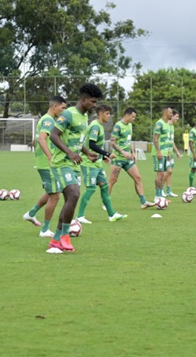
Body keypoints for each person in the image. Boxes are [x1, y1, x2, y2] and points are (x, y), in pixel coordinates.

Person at [47, 83, 103, 253]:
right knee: (74, 194)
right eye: (92, 102)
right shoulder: (69, 114)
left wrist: (86, 153)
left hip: (74, 164)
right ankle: (64, 236)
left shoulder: (85, 117)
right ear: (84, 99)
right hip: (62, 162)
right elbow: (53, 135)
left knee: (70, 201)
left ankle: (56, 239)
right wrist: (70, 153)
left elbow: (77, 140)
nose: (94, 105)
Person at [22, 96, 67, 237]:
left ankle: (31, 213)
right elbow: (41, 139)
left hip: (43, 163)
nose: (63, 110)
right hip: (47, 164)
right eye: (62, 107)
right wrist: (50, 157)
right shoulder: (48, 120)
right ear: (55, 106)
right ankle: (45, 229)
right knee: (55, 196)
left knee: (51, 191)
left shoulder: (45, 119)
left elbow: (35, 140)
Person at [75, 104, 127, 224]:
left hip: (97, 163)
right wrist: (107, 154)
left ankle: (111, 214)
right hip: (89, 163)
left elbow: (96, 145)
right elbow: (92, 144)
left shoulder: (100, 126)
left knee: (104, 186)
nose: (109, 116)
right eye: (107, 113)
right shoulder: (95, 126)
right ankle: (79, 216)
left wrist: (103, 156)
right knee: (91, 188)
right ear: (101, 113)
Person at [108, 108, 156, 209]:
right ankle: (106, 202)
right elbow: (112, 142)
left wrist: (133, 152)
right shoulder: (118, 126)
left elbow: (129, 141)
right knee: (112, 180)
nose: (134, 119)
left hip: (128, 158)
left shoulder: (130, 125)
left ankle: (143, 202)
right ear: (127, 115)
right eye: (133, 117)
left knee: (138, 178)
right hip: (118, 158)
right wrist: (123, 152)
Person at [151, 106, 173, 199]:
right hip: (158, 153)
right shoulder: (159, 124)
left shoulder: (167, 124)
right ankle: (157, 195)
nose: (172, 114)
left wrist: (168, 153)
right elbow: (155, 138)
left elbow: (167, 140)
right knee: (159, 174)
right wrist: (159, 152)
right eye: (170, 113)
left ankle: (160, 194)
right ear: (165, 113)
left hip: (165, 153)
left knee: (163, 174)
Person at [164, 110, 182, 197]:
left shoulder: (172, 127)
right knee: (167, 171)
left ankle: (168, 191)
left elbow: (171, 141)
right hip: (165, 153)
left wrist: (177, 152)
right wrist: (168, 154)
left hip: (170, 152)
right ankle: (159, 189)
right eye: (176, 116)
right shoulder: (166, 125)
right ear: (172, 116)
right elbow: (164, 141)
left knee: (170, 172)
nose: (178, 118)